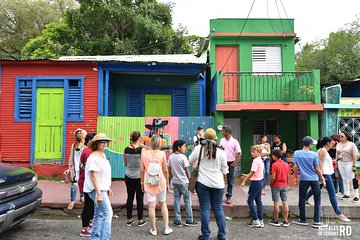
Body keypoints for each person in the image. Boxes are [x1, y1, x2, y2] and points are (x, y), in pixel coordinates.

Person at [189, 128, 228, 240]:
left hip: (203, 183)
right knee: (218, 208)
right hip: (218, 184)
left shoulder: (199, 148)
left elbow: (190, 160)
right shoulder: (221, 152)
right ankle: (222, 235)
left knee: (205, 209)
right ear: (216, 138)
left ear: (204, 138)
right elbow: (225, 170)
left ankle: (205, 236)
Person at [304, 137, 350, 222]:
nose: (333, 143)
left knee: (317, 189)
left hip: (326, 174)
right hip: (325, 174)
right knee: (332, 193)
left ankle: (305, 199)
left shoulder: (324, 151)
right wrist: (322, 177)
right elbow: (319, 164)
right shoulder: (323, 151)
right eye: (331, 142)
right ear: (328, 143)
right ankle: (339, 213)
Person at [140, 135, 173, 236]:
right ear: (159, 143)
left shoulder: (144, 154)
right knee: (163, 203)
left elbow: (141, 170)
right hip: (160, 181)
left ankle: (154, 229)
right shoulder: (162, 153)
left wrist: (141, 182)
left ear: (150, 142)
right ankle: (167, 228)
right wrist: (167, 182)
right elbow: (165, 170)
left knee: (151, 206)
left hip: (148, 182)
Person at [292, 136, 328, 228]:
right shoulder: (314, 154)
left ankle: (302, 219)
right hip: (314, 179)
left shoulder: (296, 153)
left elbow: (295, 167)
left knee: (302, 199)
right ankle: (316, 221)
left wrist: (296, 177)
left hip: (304, 179)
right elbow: (317, 168)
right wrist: (322, 179)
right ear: (310, 144)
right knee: (317, 199)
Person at [83, 133, 114, 240]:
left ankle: (95, 238)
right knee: (108, 213)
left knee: (99, 214)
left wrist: (108, 187)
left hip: (101, 188)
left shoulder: (103, 155)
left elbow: (102, 175)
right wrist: (99, 193)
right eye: (102, 142)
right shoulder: (93, 157)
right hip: (96, 190)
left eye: (106, 141)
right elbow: (94, 176)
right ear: (96, 144)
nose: (105, 143)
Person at [168, 139, 198, 228]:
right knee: (187, 201)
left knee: (176, 200)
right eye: (184, 146)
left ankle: (178, 220)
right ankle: (189, 220)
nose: (185, 148)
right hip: (184, 182)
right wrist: (190, 180)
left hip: (175, 182)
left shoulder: (171, 157)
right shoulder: (183, 157)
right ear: (179, 147)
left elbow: (169, 169)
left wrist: (172, 177)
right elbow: (187, 171)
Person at [124, 131, 146, 227]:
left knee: (130, 197)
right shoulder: (142, 150)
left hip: (128, 176)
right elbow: (144, 164)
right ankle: (140, 220)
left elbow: (125, 163)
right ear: (139, 138)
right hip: (139, 177)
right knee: (139, 198)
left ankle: (129, 219)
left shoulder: (126, 149)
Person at [241, 145, 265, 228]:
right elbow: (255, 172)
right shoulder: (260, 160)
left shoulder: (255, 161)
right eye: (251, 151)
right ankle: (260, 220)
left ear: (259, 152)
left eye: (254, 152)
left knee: (250, 200)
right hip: (260, 181)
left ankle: (255, 220)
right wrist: (247, 175)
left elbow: (252, 172)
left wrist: (244, 181)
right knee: (258, 201)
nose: (252, 153)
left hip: (255, 183)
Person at [78, 133, 96, 237]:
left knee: (91, 204)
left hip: (86, 180)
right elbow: (91, 170)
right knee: (88, 205)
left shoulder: (87, 151)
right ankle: (85, 229)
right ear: (90, 141)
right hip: (86, 181)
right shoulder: (88, 152)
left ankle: (90, 223)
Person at [64, 128, 87, 210]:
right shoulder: (73, 145)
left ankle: (82, 197)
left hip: (83, 168)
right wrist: (69, 168)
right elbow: (71, 157)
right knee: (74, 184)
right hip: (75, 167)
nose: (79, 134)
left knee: (82, 183)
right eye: (78, 133)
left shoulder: (86, 144)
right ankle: (72, 200)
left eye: (81, 132)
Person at [220, 125, 242, 204]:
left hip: (230, 163)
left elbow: (240, 153)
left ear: (228, 132)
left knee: (230, 180)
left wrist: (235, 162)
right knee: (220, 179)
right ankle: (219, 196)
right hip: (222, 162)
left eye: (223, 131)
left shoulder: (235, 141)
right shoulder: (222, 140)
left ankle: (229, 196)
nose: (222, 132)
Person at [268, 149, 290, 227]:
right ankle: (285, 220)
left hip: (276, 185)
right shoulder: (286, 164)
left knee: (276, 202)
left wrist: (270, 184)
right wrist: (287, 184)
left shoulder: (274, 164)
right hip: (284, 185)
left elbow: (273, 177)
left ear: (274, 156)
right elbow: (288, 176)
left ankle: (276, 220)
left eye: (272, 155)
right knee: (285, 202)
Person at [336, 131, 359, 202]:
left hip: (349, 163)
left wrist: (354, 165)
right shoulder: (338, 145)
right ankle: (347, 193)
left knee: (352, 179)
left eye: (342, 136)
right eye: (339, 136)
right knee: (344, 179)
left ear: (346, 137)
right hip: (341, 163)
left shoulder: (351, 145)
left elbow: (355, 155)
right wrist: (337, 161)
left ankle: (356, 195)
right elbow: (338, 154)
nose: (340, 137)